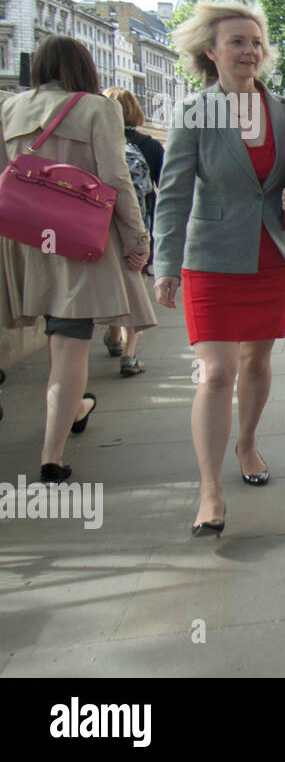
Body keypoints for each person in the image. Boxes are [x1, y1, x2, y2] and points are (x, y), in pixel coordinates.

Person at [155, 0, 285, 537]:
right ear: (211, 51)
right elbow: (174, 194)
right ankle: (209, 489)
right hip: (211, 259)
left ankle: (247, 444)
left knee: (256, 363)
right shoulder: (194, 113)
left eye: (255, 41)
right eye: (237, 42)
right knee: (216, 373)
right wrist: (166, 265)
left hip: (272, 256)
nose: (249, 50)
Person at [0, 37, 154, 482]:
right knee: (70, 344)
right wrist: (137, 240)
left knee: (57, 336)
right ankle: (51, 455)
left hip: (26, 243)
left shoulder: (9, 109)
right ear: (84, 68)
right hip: (79, 240)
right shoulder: (96, 108)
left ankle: (78, 406)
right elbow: (116, 179)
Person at [102, 87, 161, 376]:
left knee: (113, 280)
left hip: (99, 225)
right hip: (138, 223)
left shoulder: (97, 142)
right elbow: (166, 186)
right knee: (135, 281)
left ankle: (113, 337)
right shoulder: (149, 145)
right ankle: (129, 350)